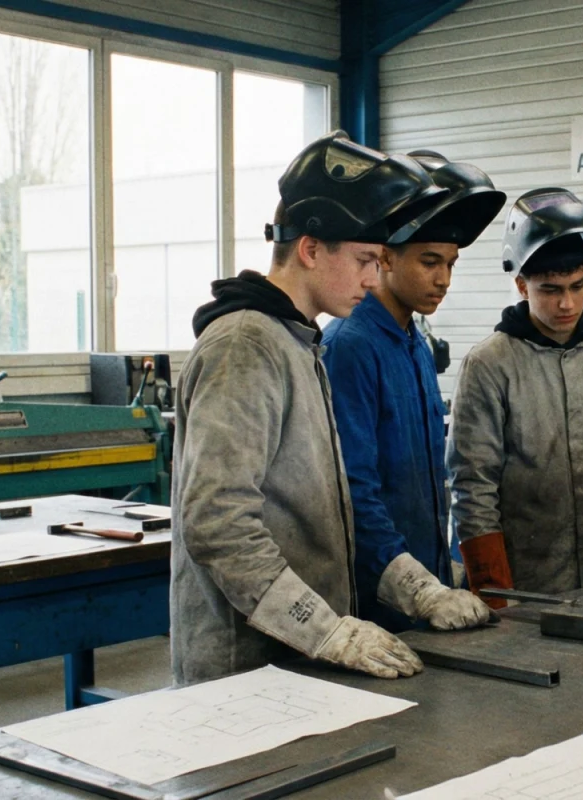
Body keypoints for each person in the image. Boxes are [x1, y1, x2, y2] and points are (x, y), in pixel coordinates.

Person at [171, 132, 446, 685]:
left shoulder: (298, 343)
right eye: (365, 260)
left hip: (296, 660)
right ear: (311, 249)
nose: (373, 279)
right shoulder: (245, 346)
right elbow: (217, 523)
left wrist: (414, 588)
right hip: (245, 671)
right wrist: (324, 630)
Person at [322, 151, 507, 632]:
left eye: (450, 263)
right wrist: (415, 588)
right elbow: (353, 493)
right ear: (385, 256)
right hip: (375, 607)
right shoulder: (350, 346)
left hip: (426, 596)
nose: (443, 279)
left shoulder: (415, 344)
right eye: (429, 262)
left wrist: (442, 576)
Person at [449, 188, 583, 605]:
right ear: (521, 285)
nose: (567, 303)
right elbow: (473, 492)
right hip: (529, 591)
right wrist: (495, 594)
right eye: (550, 290)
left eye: (577, 286)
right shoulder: (489, 366)